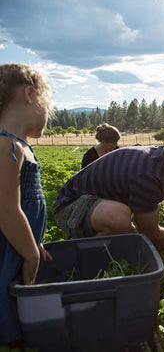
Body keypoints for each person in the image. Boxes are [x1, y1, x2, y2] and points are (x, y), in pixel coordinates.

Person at [0, 63, 53, 347]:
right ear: (30, 94)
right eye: (48, 103)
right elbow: (6, 209)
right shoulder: (6, 146)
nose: (49, 113)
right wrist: (30, 255)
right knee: (6, 292)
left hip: (17, 244)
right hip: (6, 248)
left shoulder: (20, 147)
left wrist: (31, 241)